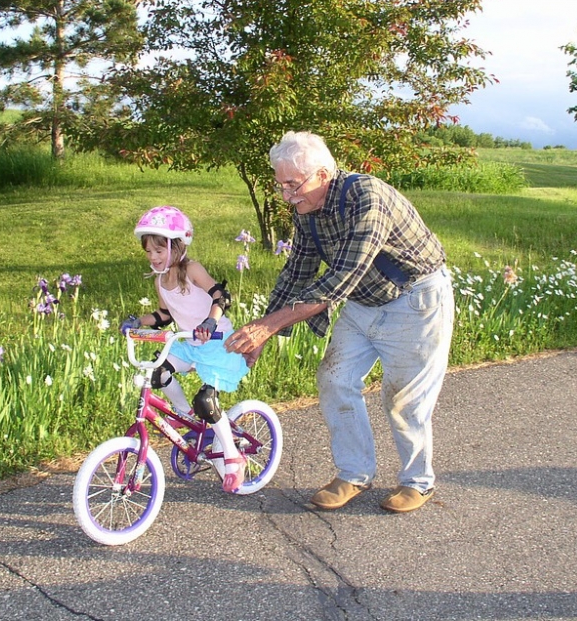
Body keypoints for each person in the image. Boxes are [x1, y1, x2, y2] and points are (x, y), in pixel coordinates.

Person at [225, 131, 454, 512]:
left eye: (293, 185)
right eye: (280, 185)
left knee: (404, 399)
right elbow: (297, 271)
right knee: (334, 378)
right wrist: (264, 330)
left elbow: (340, 279)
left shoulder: (367, 197)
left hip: (415, 300)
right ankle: (354, 474)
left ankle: (418, 482)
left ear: (323, 175)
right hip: (364, 302)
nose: (286, 195)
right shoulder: (306, 212)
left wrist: (270, 326)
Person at [120, 205, 250, 493]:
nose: (153, 257)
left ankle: (232, 457)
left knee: (207, 401)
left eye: (159, 250)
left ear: (177, 246)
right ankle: (187, 417)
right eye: (149, 252)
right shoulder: (160, 280)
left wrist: (210, 322)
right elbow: (164, 316)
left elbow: (221, 296)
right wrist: (136, 321)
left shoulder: (192, 269)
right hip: (189, 344)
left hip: (217, 343)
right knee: (158, 374)